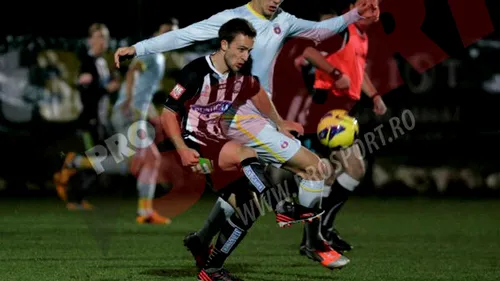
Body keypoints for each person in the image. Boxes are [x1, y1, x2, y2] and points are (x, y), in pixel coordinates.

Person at [114, 0, 380, 269]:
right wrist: (138, 49)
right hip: (239, 117)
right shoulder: (233, 19)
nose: (276, 0)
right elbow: (185, 35)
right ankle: (312, 240)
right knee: (313, 168)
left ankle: (203, 239)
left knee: (241, 193)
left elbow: (320, 31)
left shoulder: (283, 20)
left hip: (259, 113)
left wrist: (355, 14)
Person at [159, 18, 321, 281]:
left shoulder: (239, 72)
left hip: (216, 146)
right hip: (194, 145)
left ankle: (211, 268)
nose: (245, 56)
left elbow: (256, 91)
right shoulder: (195, 72)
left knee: (248, 210)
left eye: (249, 50)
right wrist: (181, 149)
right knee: (246, 153)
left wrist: (279, 124)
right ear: (224, 45)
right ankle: (280, 205)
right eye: (241, 49)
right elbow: (167, 114)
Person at [293, 0, 387, 252]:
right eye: (367, 4)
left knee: (329, 175)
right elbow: (309, 53)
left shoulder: (359, 35)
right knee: (354, 168)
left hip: (339, 112)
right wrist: (335, 74)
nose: (373, 10)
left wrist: (374, 95)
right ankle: (321, 232)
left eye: (377, 5)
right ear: (351, 7)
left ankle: (316, 235)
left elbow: (357, 71)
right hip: (327, 112)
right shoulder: (342, 31)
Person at [111, 21, 178, 224]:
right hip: (129, 113)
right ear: (157, 32)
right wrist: (130, 102)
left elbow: (144, 91)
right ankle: (76, 163)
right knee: (138, 162)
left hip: (135, 114)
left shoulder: (158, 56)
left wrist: (150, 114)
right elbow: (132, 72)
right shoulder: (152, 52)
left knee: (145, 161)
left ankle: (145, 212)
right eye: (165, 32)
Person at [54, 23, 120, 210]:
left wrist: (110, 85)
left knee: (101, 160)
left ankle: (78, 195)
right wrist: (104, 88)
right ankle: (73, 189)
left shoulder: (102, 62)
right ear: (90, 40)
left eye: (105, 37)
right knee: (96, 159)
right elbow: (87, 92)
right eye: (99, 37)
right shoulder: (87, 61)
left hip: (101, 119)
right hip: (91, 119)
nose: (102, 41)